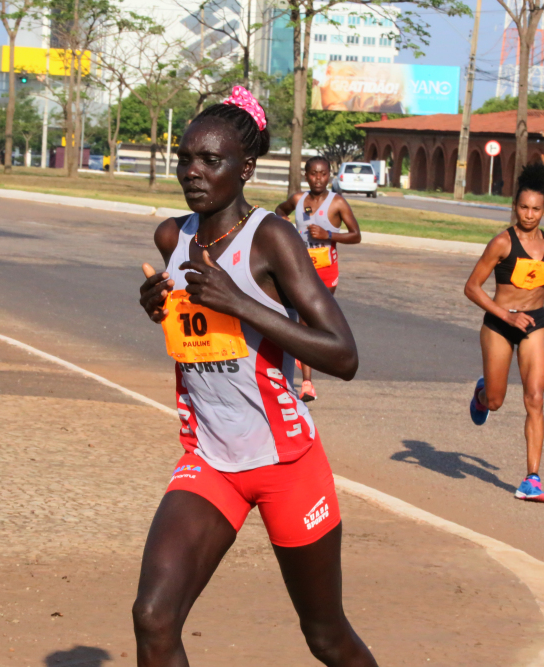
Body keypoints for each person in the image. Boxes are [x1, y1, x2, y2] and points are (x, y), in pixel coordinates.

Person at [136, 86, 377, 667]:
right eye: (185, 159)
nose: (193, 172)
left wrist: (239, 302)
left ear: (245, 169)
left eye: (210, 161)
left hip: (285, 463)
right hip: (210, 459)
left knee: (325, 636)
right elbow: (197, 332)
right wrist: (158, 306)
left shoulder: (272, 237)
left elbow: (343, 356)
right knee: (154, 617)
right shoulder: (174, 237)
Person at [462, 163, 544, 503]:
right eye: (524, 207)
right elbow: (472, 287)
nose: (529, 214)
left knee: (535, 399)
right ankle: (482, 394)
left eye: (536, 209)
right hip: (499, 325)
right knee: (496, 402)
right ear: (515, 206)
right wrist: (506, 316)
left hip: (535, 325)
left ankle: (532, 479)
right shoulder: (502, 243)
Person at [274, 157, 362, 402]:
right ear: (306, 175)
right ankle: (308, 384)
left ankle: (308, 369)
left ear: (329, 176)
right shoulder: (298, 200)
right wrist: (284, 221)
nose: (318, 179)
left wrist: (328, 234)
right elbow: (279, 210)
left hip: (326, 271)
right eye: (313, 174)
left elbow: (356, 235)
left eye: (323, 174)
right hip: (302, 270)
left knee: (313, 323)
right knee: (304, 321)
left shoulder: (337, 203)